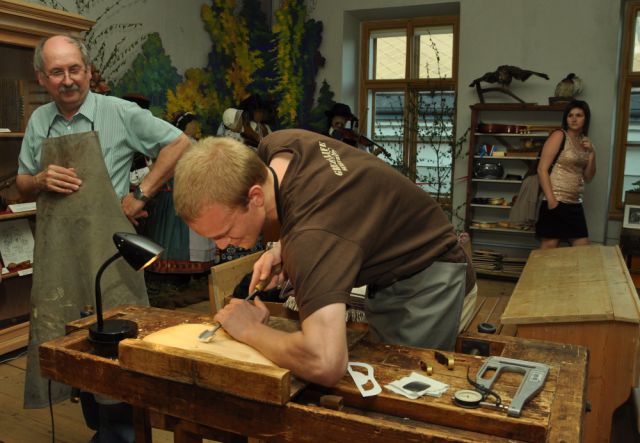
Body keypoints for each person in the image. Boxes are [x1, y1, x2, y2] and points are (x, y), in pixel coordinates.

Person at [173, 129, 475, 386]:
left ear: (255, 197)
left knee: (405, 395)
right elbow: (320, 207)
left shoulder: (312, 238)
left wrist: (250, 329)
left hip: (430, 277)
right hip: (395, 263)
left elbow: (325, 362)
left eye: (224, 232)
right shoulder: (279, 145)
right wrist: (280, 249)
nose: (221, 246)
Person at [16, 34, 190, 440]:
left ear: (89, 70)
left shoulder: (120, 112)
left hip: (109, 250)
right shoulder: (40, 121)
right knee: (74, 341)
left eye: (74, 69)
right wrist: (40, 179)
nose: (68, 80)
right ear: (42, 77)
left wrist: (140, 194)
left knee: (118, 342)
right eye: (57, 72)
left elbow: (179, 143)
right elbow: (22, 183)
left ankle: (123, 430)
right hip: (60, 252)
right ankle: (102, 428)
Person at [144, 111, 216, 306]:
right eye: (191, 123)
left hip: (192, 191)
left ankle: (193, 275)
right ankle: (171, 277)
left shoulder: (195, 144)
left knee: (194, 235)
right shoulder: (176, 144)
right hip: (177, 192)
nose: (195, 126)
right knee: (175, 234)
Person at [536, 100, 596, 249]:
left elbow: (588, 177)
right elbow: (542, 169)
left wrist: (592, 153)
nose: (574, 119)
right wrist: (552, 201)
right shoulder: (559, 135)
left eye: (579, 115)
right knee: (549, 250)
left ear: (586, 119)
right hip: (555, 200)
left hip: (575, 203)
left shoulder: (585, 142)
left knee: (583, 250)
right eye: (570, 115)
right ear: (566, 118)